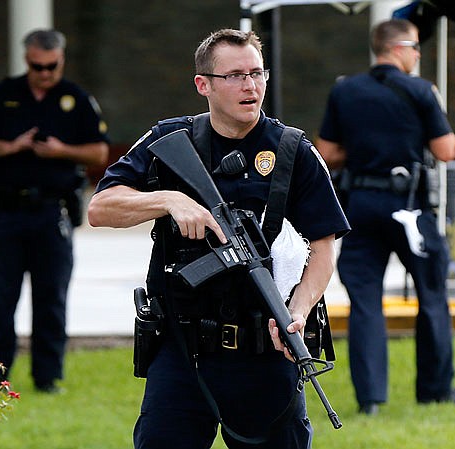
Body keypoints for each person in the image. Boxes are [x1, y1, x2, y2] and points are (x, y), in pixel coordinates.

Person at [88, 28, 348, 448]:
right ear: (203, 85)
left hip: (266, 348)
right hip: (183, 350)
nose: (250, 85)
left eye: (257, 73)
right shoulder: (168, 140)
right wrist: (169, 200)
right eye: (235, 75)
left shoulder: (293, 150)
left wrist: (296, 314)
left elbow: (323, 250)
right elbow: (101, 208)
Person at [316, 19, 455, 415]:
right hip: (409, 210)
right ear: (399, 47)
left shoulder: (345, 90)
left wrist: (364, 153)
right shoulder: (419, 90)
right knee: (432, 294)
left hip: (361, 206)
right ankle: (435, 390)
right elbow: (447, 149)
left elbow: (327, 152)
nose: (418, 55)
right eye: (416, 48)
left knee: (365, 302)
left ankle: (370, 401)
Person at [0, 29, 110, 393]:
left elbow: (99, 152)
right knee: (0, 297)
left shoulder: (75, 99)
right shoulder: (3, 94)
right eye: (36, 66)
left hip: (51, 213)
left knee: (51, 298)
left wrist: (61, 151)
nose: (44, 73)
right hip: (5, 212)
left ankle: (47, 379)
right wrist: (12, 146)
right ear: (26, 60)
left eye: (51, 66)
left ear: (61, 60)